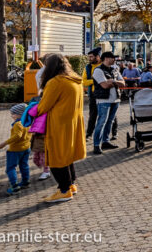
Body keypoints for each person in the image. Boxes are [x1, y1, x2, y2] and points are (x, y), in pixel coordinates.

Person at [35, 53, 86, 203]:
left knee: (56, 157)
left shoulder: (56, 82)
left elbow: (43, 106)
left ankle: (64, 190)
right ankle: (71, 185)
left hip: (58, 124)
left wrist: (32, 110)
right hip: (73, 122)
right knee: (67, 156)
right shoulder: (75, 79)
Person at [91, 51, 124, 154]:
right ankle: (96, 144)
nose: (114, 60)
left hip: (115, 99)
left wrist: (112, 81)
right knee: (102, 122)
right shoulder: (98, 70)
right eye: (112, 58)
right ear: (106, 58)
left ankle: (105, 141)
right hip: (103, 100)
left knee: (110, 121)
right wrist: (115, 82)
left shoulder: (115, 69)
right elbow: (104, 85)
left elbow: (123, 83)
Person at [0, 104, 32, 194]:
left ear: (19, 114)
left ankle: (14, 187)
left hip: (15, 150)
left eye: (13, 114)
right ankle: (25, 182)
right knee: (24, 165)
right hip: (26, 147)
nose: (12, 115)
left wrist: (4, 143)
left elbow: (17, 136)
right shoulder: (28, 121)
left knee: (10, 168)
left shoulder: (17, 124)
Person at [82, 48, 102, 139]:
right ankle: (89, 134)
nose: (89, 59)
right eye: (89, 57)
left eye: (91, 57)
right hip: (93, 94)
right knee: (92, 115)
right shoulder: (88, 67)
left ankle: (114, 132)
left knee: (108, 114)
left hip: (104, 93)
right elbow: (84, 81)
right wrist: (94, 81)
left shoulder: (104, 66)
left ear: (98, 57)